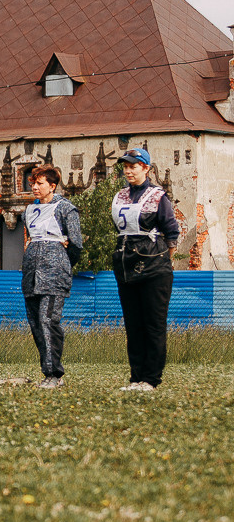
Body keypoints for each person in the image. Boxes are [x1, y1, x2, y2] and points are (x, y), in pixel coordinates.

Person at [111, 148, 180, 391]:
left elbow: (171, 233)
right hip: (126, 267)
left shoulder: (158, 196)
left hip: (155, 268)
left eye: (133, 166)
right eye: (126, 167)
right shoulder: (120, 196)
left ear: (146, 168)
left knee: (153, 325)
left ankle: (151, 379)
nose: (128, 171)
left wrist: (163, 261)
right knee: (134, 325)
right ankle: (136, 378)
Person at [22, 165, 83, 389]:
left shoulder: (65, 208)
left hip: (54, 273)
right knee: (36, 323)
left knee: (48, 320)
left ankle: (54, 374)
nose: (35, 187)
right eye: (33, 183)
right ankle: (46, 371)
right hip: (31, 273)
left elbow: (76, 244)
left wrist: (62, 262)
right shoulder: (28, 211)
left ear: (52, 186)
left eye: (40, 183)